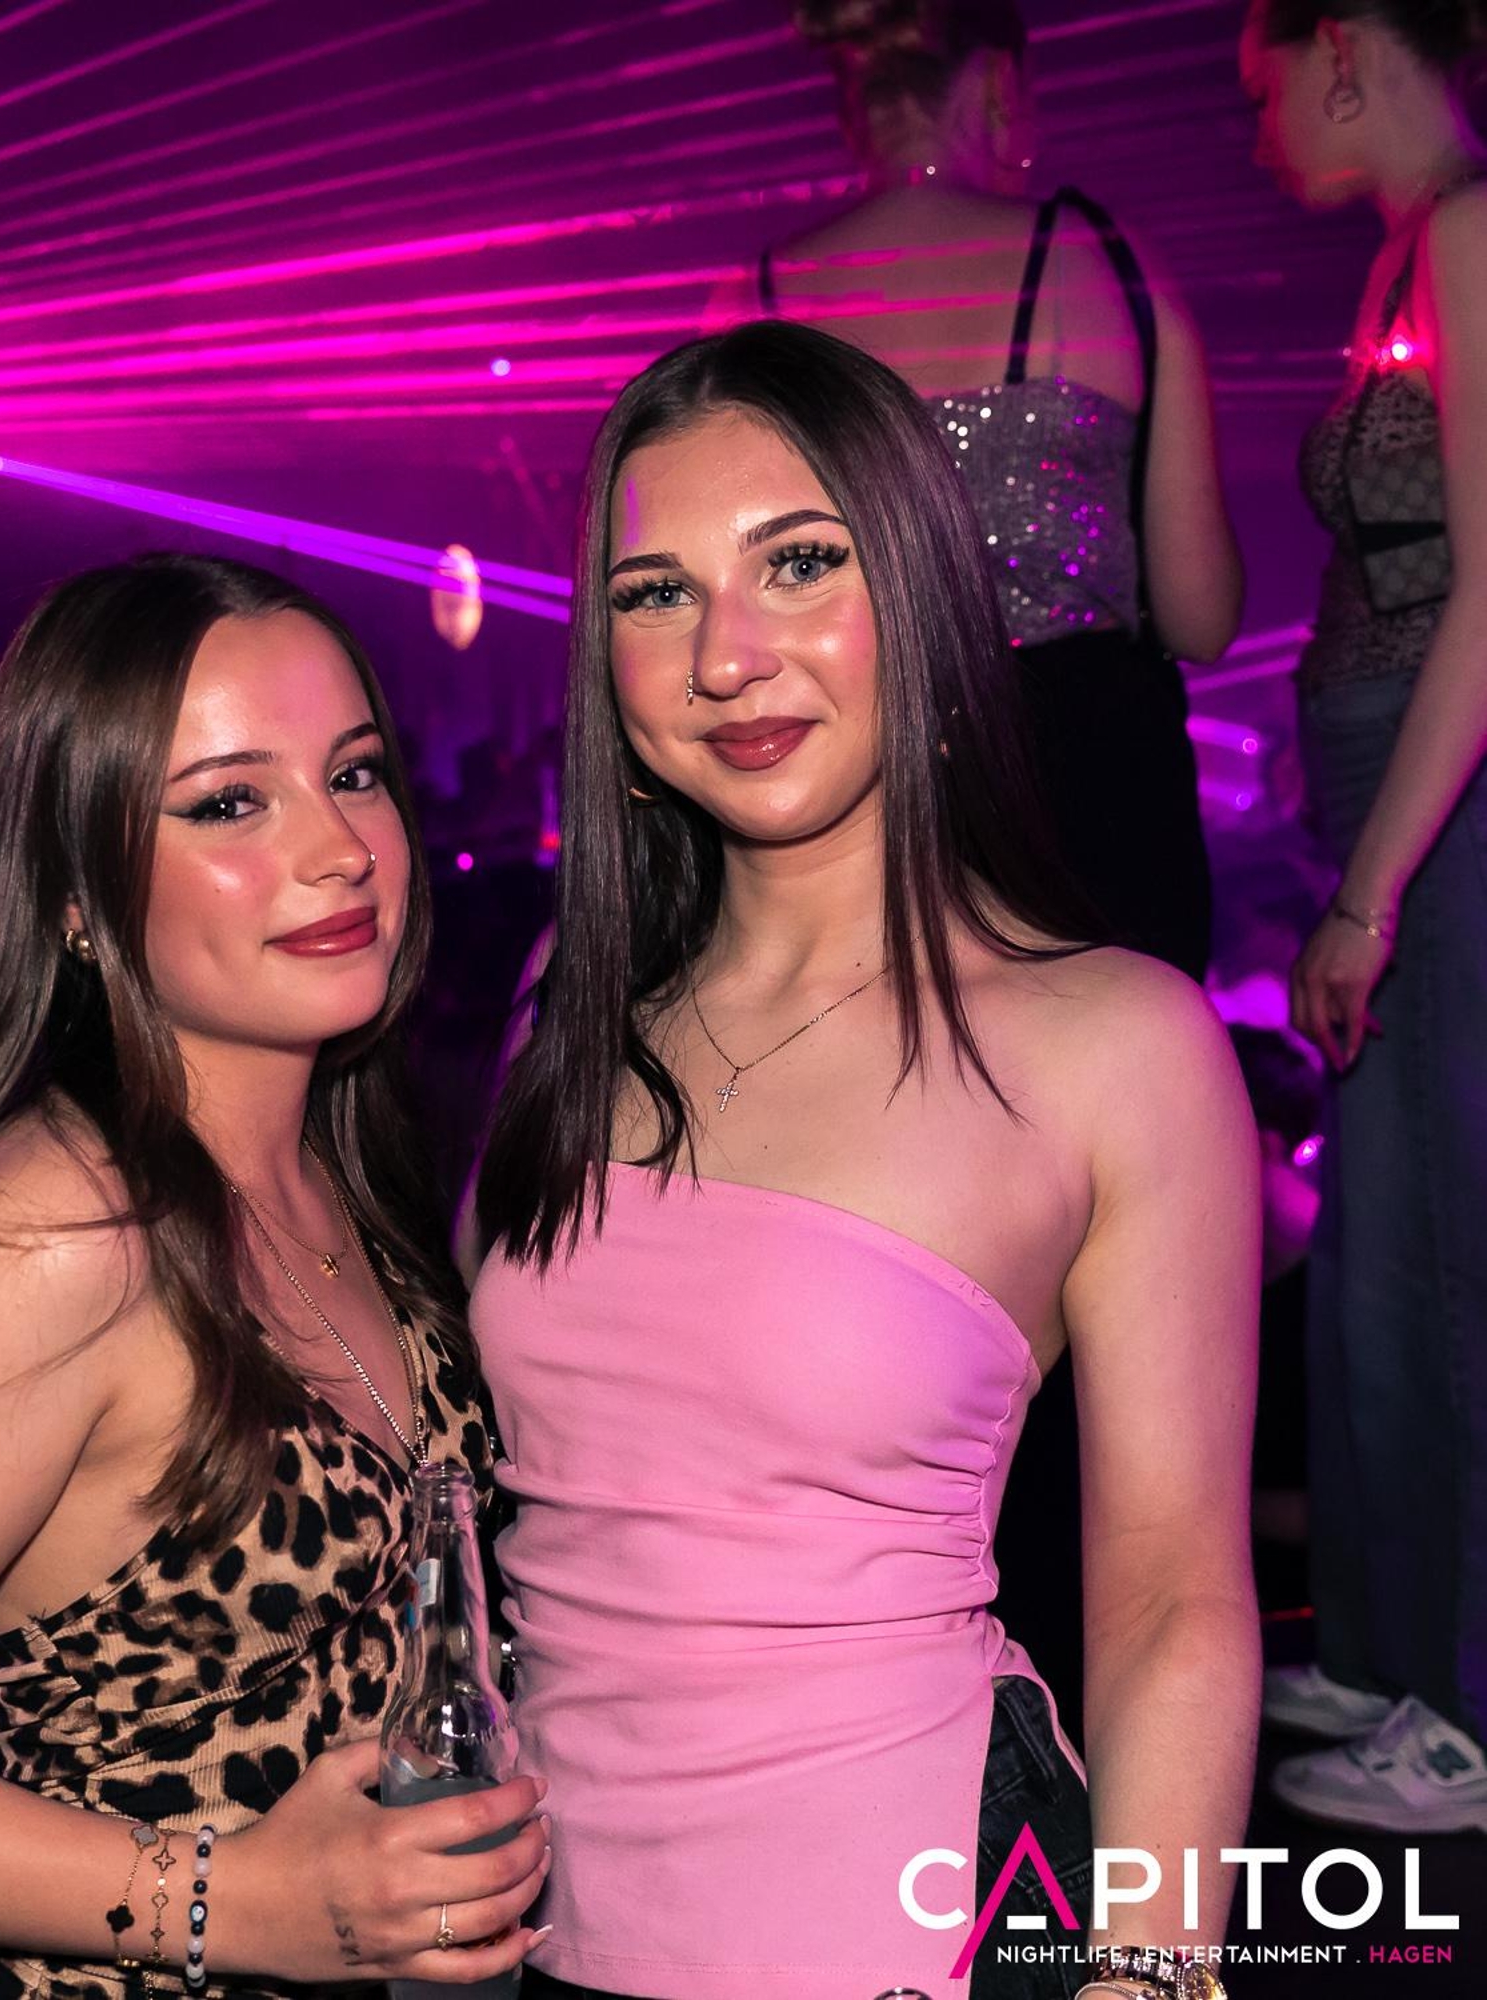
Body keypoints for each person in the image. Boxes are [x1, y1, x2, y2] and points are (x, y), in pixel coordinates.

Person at [467, 323, 1259, 2000]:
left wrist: (1153, 1972)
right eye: (656, 593)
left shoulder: (1115, 1045)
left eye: (801, 563)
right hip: (540, 1943)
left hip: (916, 1943)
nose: (727, 655)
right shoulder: (569, 1001)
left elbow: (1173, 1605)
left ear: (921, 592)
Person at [0, 554, 550, 1998]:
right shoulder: (57, 1229)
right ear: (77, 897)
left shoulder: (334, 1167)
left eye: (355, 774)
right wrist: (235, 1901)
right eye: (230, 802)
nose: (339, 847)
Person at [714, 0, 1243, 979]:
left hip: (873, 800)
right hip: (1098, 798)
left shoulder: (758, 303)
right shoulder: (1103, 264)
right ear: (998, 83)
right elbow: (1201, 616)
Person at [1239, 0, 1487, 1832]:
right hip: (1397, 790)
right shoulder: (1416, 248)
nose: (1254, 127)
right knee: (1387, 1245)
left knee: (1445, 1246)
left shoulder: (1472, 230)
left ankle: (1463, 1707)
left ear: (1343, 49)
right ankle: (1396, 1646)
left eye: (1261, 86)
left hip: (1445, 816)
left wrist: (1371, 893)